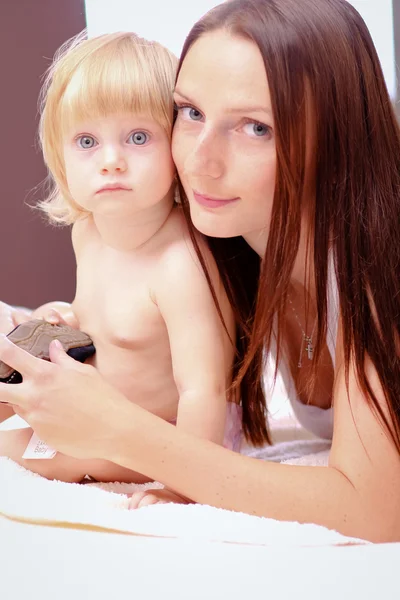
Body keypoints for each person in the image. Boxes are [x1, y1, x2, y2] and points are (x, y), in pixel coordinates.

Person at [0, 0, 399, 542]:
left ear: (336, 138)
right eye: (189, 112)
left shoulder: (374, 271)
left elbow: (375, 510)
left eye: (256, 127)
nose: (200, 161)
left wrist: (123, 433)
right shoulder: (237, 245)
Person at [0, 31, 250, 492]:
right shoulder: (88, 232)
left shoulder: (180, 264)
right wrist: (66, 319)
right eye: (87, 141)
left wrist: (182, 485)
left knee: (29, 456)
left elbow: (205, 389)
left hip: (175, 435)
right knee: (15, 421)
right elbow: (114, 330)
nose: (111, 160)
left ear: (177, 147)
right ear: (59, 154)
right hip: (107, 416)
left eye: (138, 137)